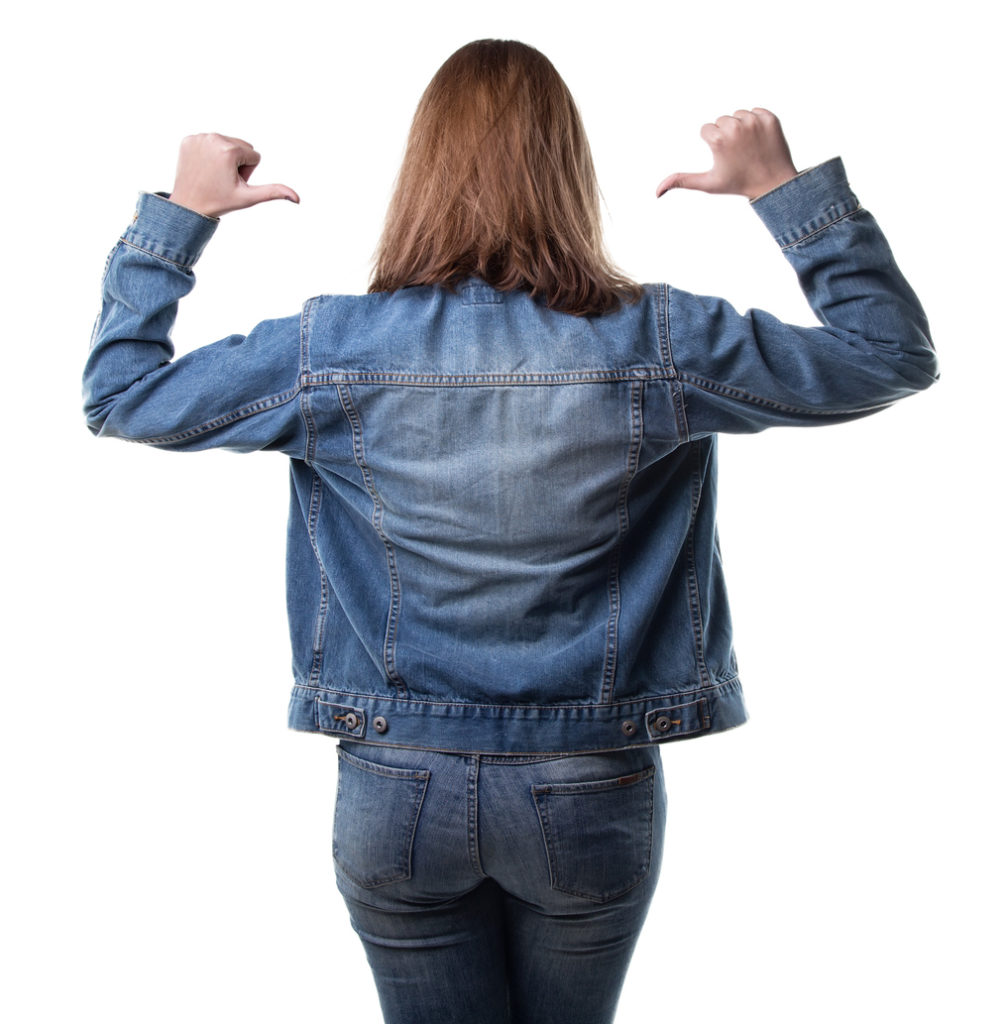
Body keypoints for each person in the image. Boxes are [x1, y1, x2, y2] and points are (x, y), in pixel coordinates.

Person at [83, 38, 937, 1024]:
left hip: (395, 780)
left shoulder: (332, 349)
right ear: (566, 172)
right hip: (590, 777)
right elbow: (885, 356)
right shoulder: (656, 342)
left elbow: (122, 395)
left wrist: (179, 218)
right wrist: (781, 189)